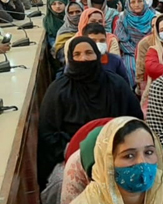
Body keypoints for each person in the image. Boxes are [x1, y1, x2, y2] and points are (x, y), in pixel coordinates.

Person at [38, 37, 142, 190]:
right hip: (72, 157)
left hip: (119, 151)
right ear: (70, 58)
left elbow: (136, 120)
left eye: (89, 53)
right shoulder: (58, 91)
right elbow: (47, 134)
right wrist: (74, 150)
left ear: (97, 56)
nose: (84, 58)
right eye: (77, 54)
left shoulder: (116, 84)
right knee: (61, 184)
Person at [115, 0, 157, 86]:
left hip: (151, 49)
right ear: (128, 5)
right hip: (131, 51)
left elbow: (157, 36)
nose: (136, 4)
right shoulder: (123, 18)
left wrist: (145, 51)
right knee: (130, 67)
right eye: (133, 2)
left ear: (144, 3)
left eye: (139, 1)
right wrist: (136, 52)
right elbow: (122, 40)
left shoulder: (154, 16)